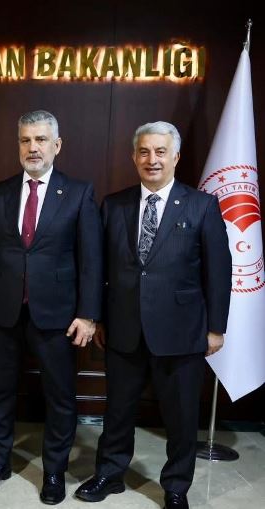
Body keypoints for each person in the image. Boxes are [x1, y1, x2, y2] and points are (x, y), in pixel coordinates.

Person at [75, 121, 231, 509]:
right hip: (123, 329)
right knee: (118, 411)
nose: (152, 159)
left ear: (175, 156)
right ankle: (109, 474)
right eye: (144, 151)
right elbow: (99, 268)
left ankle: (176, 487)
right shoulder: (114, 205)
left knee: (180, 416)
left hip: (181, 331)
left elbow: (218, 271)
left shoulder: (202, 205)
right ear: (134, 157)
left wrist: (216, 328)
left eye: (161, 151)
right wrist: (97, 317)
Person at [0, 110, 103, 504]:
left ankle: (54, 471)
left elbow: (91, 259)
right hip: (4, 312)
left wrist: (88, 314)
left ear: (57, 145)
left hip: (57, 315)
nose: (33, 148)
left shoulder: (78, 192)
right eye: (26, 140)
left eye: (41, 140)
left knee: (60, 397)